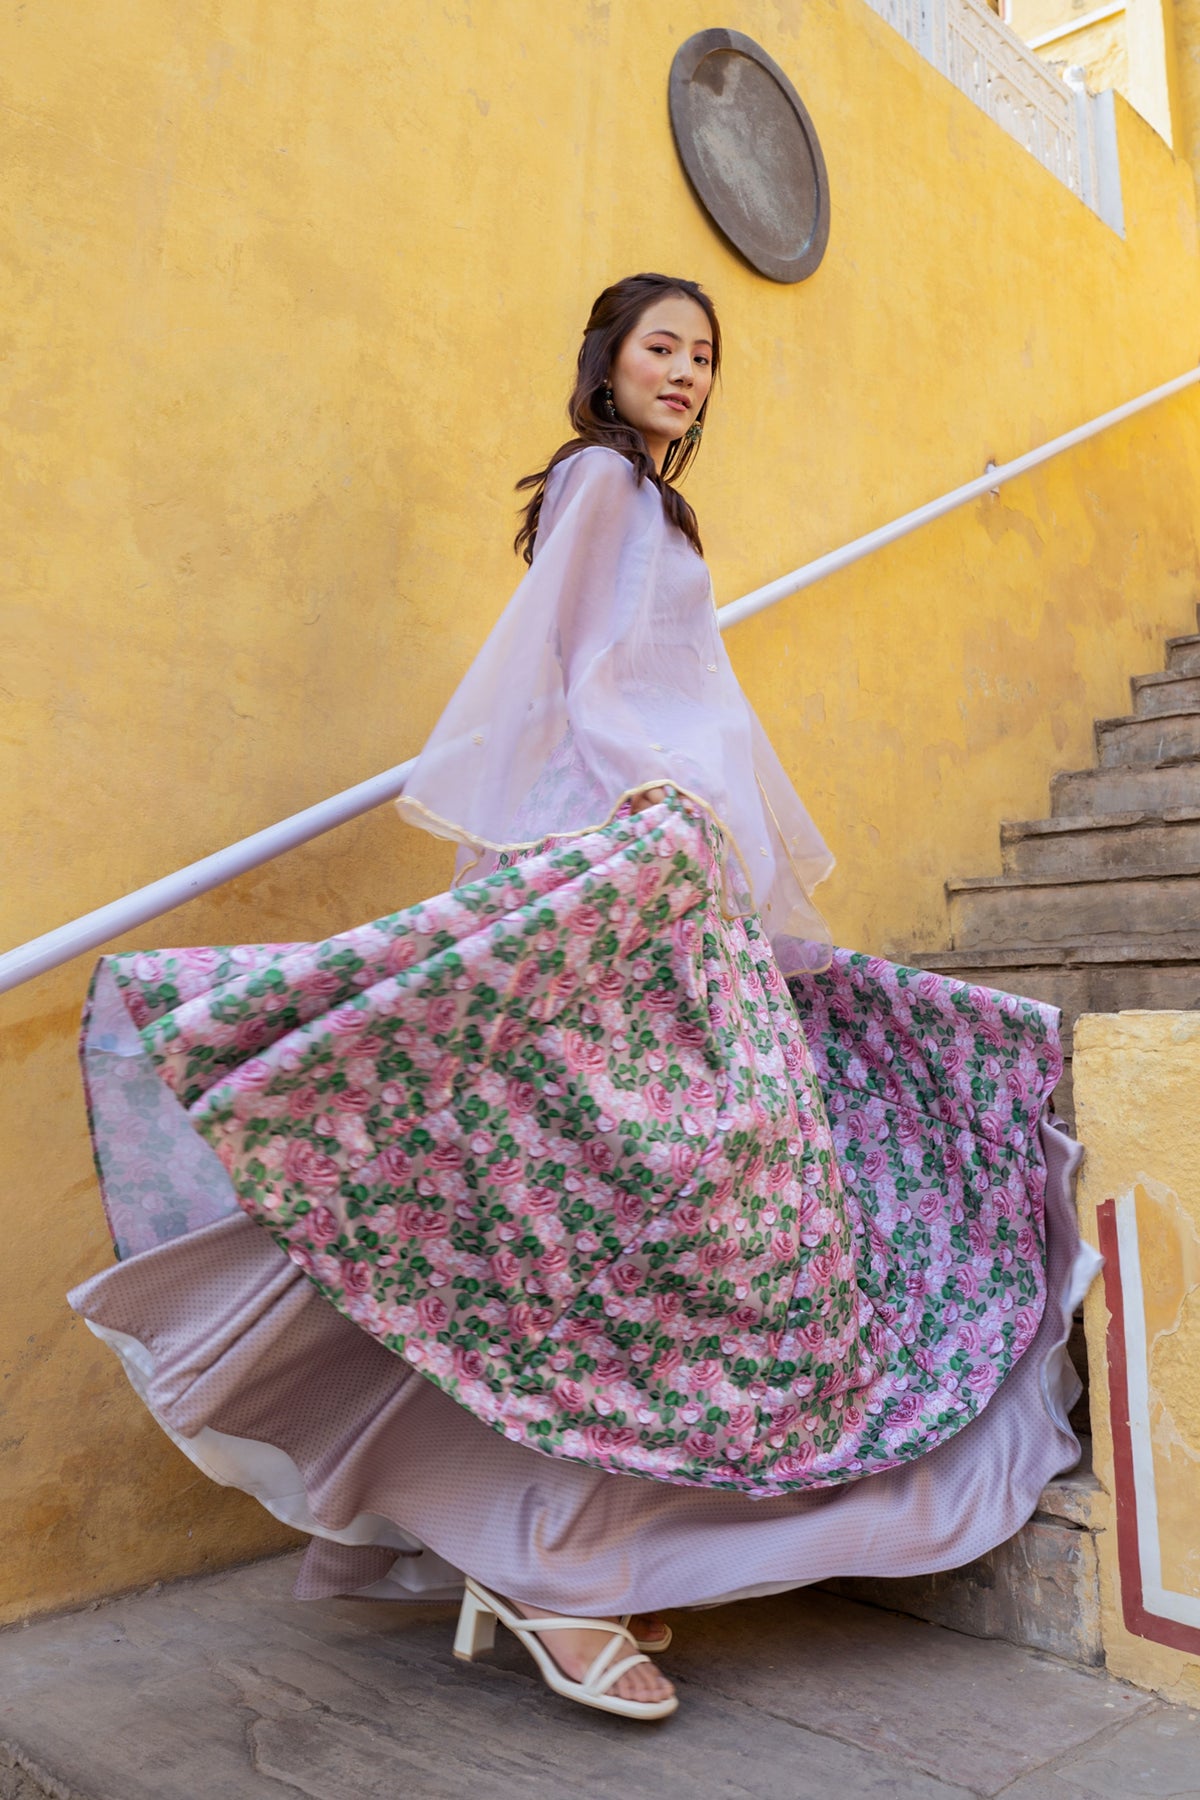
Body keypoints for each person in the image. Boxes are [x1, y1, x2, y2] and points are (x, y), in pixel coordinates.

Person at [70, 274, 1098, 1725]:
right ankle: (556, 1568)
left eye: (705, 355)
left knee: (647, 1228)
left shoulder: (650, 503)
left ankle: (567, 1552)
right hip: (644, 862)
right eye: (662, 346)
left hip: (677, 876)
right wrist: (642, 833)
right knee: (664, 1224)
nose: (687, 371)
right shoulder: (603, 478)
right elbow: (560, 679)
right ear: (605, 364)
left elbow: (664, 690)